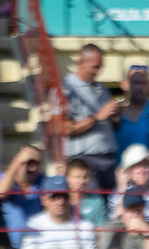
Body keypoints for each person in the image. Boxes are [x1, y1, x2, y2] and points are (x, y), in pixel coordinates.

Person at [58, 43, 118, 188]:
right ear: (80, 63)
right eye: (95, 67)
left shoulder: (102, 89)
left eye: (100, 66)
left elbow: (113, 126)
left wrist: (115, 117)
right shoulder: (66, 89)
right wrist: (97, 118)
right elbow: (63, 128)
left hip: (108, 160)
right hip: (84, 162)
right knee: (91, 207)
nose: (98, 71)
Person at [19, 175, 102, 249]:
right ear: (43, 199)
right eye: (54, 196)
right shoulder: (34, 225)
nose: (61, 202)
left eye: (64, 196)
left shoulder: (85, 227)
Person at [0, 145, 46, 249]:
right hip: (10, 247)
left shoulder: (42, 180)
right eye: (28, 162)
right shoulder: (4, 178)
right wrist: (17, 162)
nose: (32, 168)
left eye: (36, 163)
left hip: (36, 247)